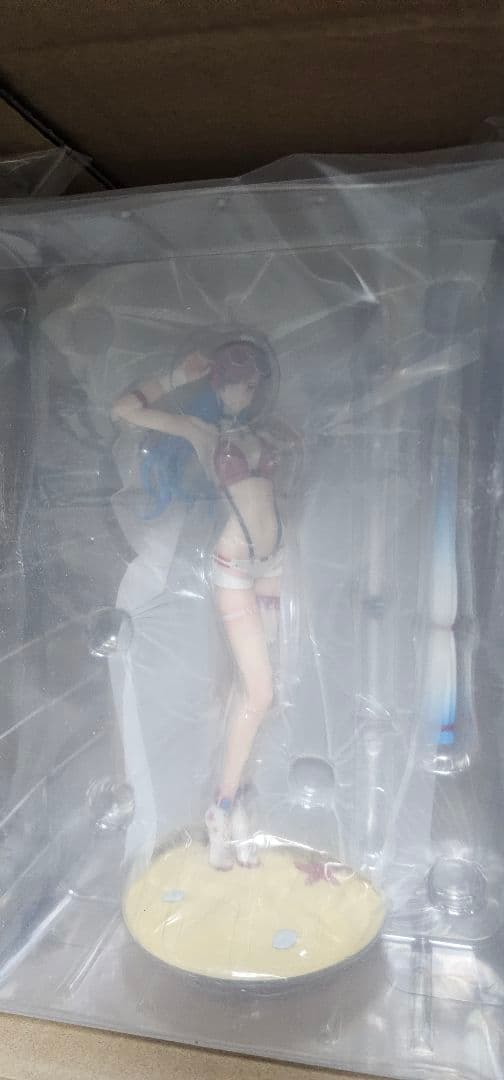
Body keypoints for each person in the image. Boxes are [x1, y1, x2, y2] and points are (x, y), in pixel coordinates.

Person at [112, 336, 298, 870]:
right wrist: (176, 377)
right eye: (236, 381)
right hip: (234, 564)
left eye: (253, 383)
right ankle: (221, 807)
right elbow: (123, 410)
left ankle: (240, 802)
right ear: (218, 380)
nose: (245, 392)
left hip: (273, 563)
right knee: (258, 692)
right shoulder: (204, 432)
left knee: (260, 692)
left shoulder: (265, 431)